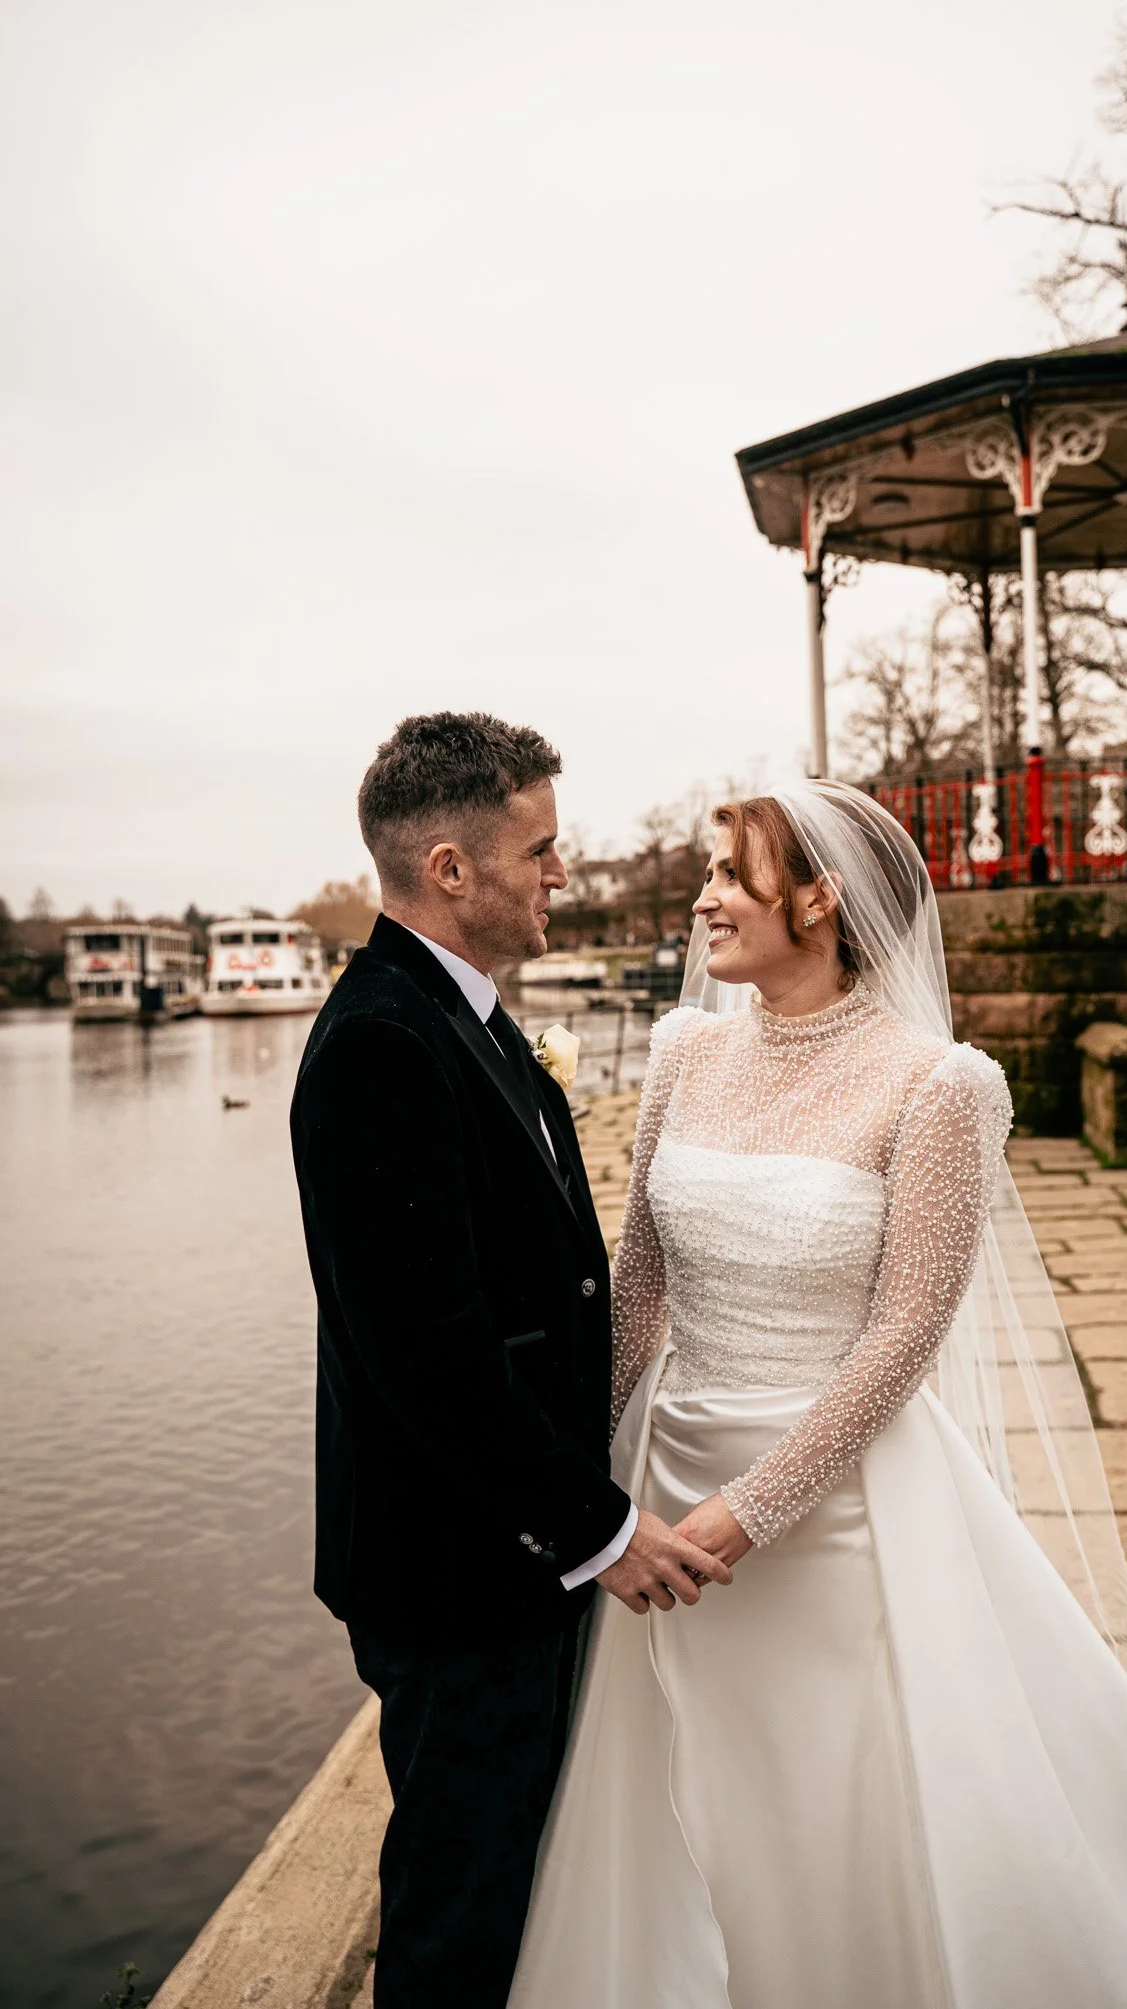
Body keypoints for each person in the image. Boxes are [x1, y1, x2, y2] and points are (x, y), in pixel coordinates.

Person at [509, 779, 1127, 2008]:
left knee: (839, 1789)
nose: (700, 899)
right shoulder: (687, 1050)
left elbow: (906, 1333)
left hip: (836, 1506)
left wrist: (756, 1506)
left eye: (729, 875)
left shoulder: (938, 1085)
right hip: (664, 1473)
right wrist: (594, 1485)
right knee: (661, 1778)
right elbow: (641, 1275)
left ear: (822, 897)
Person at [289, 711, 729, 2009]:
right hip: (455, 1569)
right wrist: (599, 1528)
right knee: (457, 1909)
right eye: (542, 850)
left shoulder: (464, 1020)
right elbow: (430, 1359)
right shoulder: (380, 1043)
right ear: (450, 871)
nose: (564, 875)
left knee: (513, 1873)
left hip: (505, 1551)